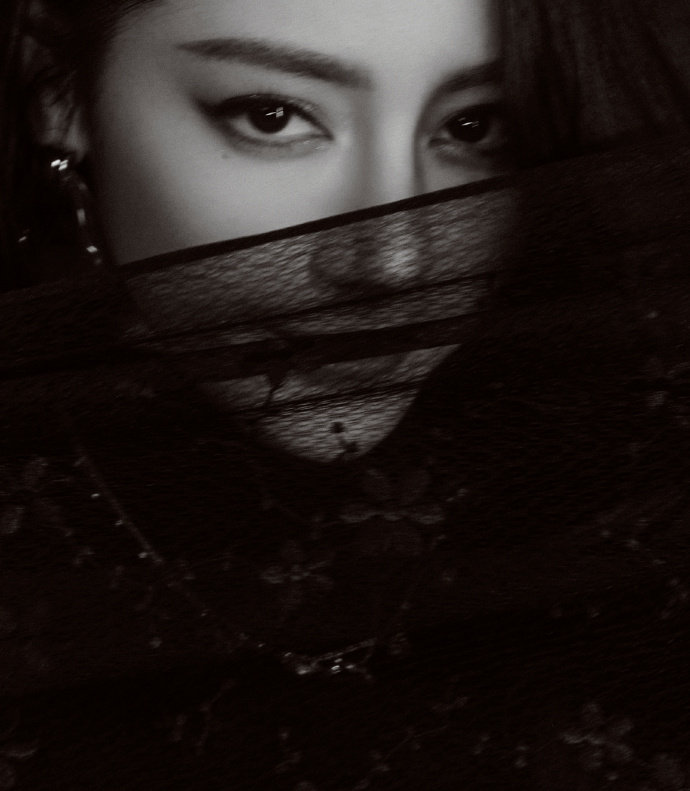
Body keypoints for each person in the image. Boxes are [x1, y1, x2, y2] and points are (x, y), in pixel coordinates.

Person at [0, 1, 688, 789]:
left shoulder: (633, 479)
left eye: (473, 126)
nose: (395, 261)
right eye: (272, 116)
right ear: (58, 96)